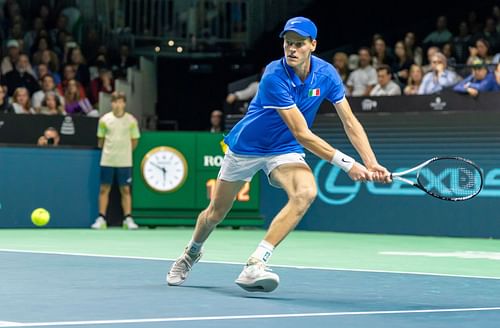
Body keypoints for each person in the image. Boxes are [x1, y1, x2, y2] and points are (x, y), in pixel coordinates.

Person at [166, 17, 390, 292]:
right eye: (288, 43)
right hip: (247, 147)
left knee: (306, 193)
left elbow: (350, 121)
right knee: (215, 214)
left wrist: (371, 161)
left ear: (313, 45)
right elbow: (301, 133)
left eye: (299, 44)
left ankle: (255, 264)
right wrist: (348, 164)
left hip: (283, 150)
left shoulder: (327, 74)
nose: (292, 49)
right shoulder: (274, 75)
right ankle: (191, 252)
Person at [91, 91, 141, 230]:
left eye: (120, 101)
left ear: (124, 103)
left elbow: (134, 141)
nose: (117, 105)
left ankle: (128, 219)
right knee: (104, 189)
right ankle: (101, 218)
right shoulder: (104, 120)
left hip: (125, 161)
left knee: (125, 189)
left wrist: (124, 153)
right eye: (114, 101)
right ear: (111, 103)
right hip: (107, 159)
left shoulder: (131, 120)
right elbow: (100, 141)